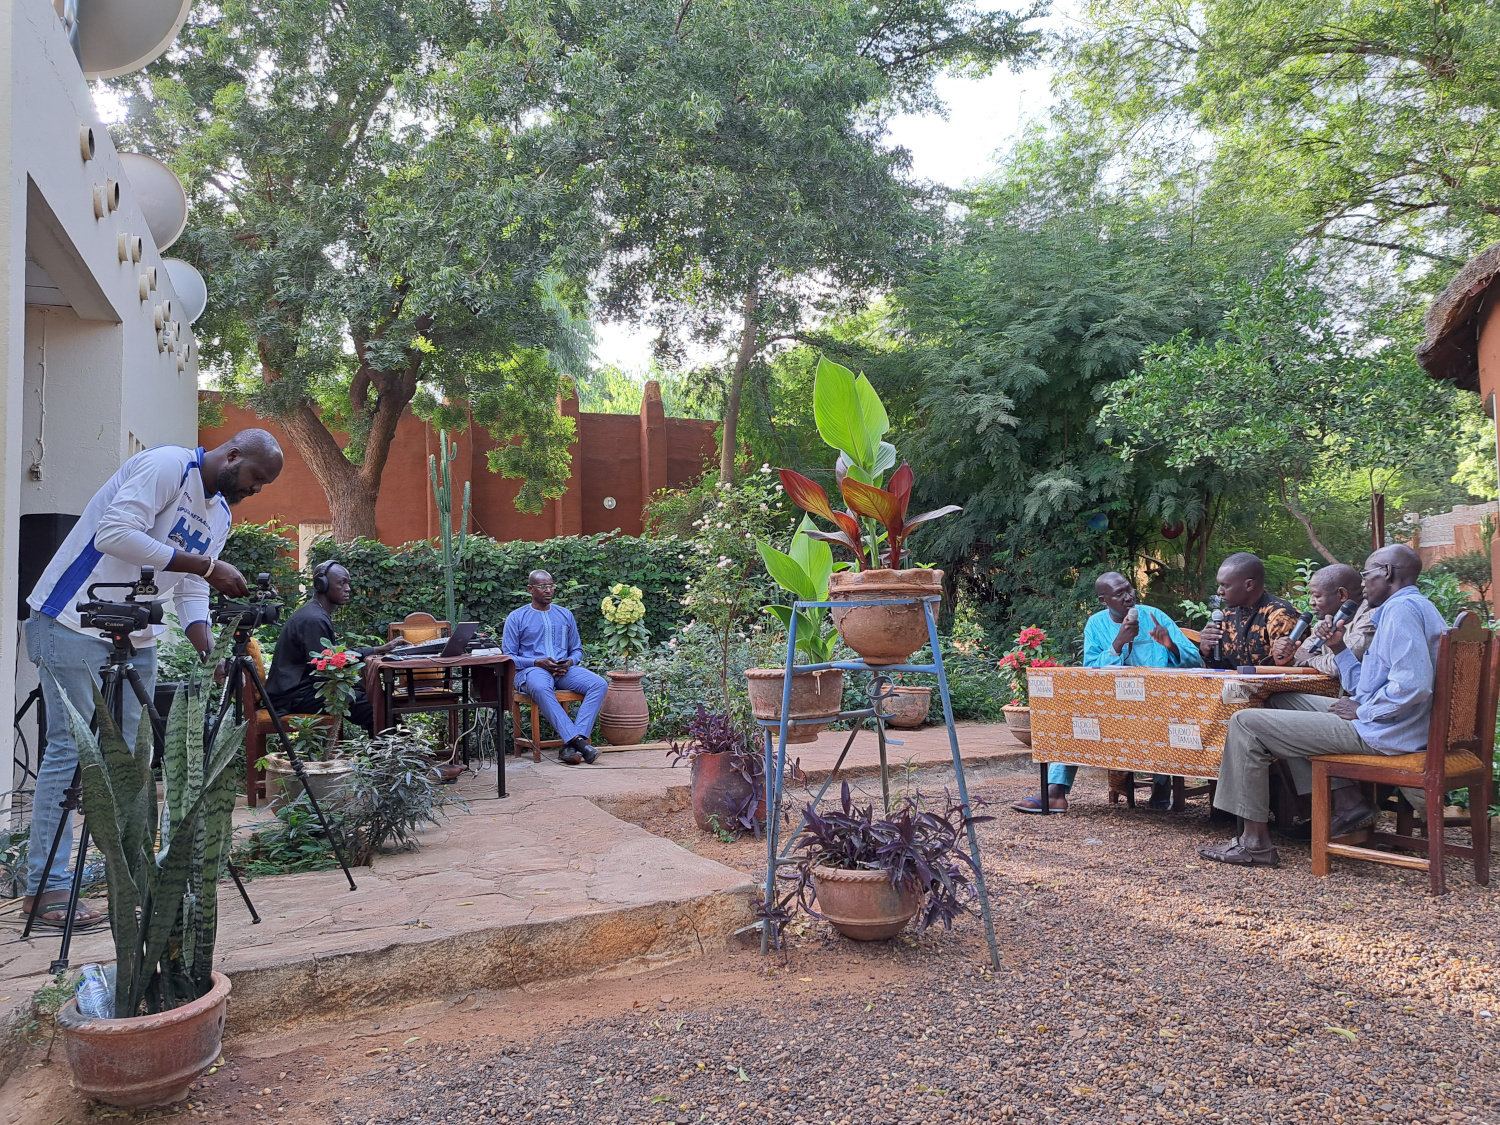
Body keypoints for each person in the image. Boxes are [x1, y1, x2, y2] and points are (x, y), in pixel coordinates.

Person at [22, 431, 284, 926]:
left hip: (136, 635)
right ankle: (46, 887)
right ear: (232, 455)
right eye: (255, 477)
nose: (256, 490)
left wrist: (206, 643)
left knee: (133, 756)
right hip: (72, 621)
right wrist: (208, 565)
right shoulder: (167, 466)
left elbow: (190, 588)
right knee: (72, 751)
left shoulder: (220, 514)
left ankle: (128, 878)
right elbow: (114, 535)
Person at [1199, 545, 1445, 867]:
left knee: (1246, 722)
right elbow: (1365, 684)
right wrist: (1338, 647)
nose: (1363, 583)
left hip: (1385, 731)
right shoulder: (1418, 607)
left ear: (1386, 573)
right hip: (1394, 722)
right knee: (1282, 700)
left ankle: (1254, 842)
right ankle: (1347, 802)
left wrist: (1363, 711)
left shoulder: (1401, 611)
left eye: (1366, 575)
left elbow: (1413, 684)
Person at [1013, 572, 1202, 814]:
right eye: (1120, 593)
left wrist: (1170, 645)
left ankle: (1161, 787)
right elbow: (1090, 669)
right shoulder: (1096, 624)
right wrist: (1118, 643)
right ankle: (1055, 793)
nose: (1129, 597)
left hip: (1158, 702)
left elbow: (1194, 661)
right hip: (1111, 706)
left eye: (1129, 589)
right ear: (1104, 600)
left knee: (1167, 715)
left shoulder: (1155, 616)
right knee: (1073, 714)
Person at [264, 560, 405, 732]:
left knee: (375, 701)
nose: (348, 589)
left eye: (348, 583)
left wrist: (377, 650)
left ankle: (390, 753)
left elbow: (330, 658)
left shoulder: (315, 613)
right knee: (376, 708)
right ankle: (388, 757)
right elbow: (326, 666)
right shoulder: (313, 619)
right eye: (342, 583)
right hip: (294, 697)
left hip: (300, 691)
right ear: (321, 585)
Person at [502, 570, 608, 765]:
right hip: (531, 671)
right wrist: (536, 662)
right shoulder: (517, 617)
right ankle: (579, 743)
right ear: (530, 589)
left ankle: (573, 744)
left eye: (551, 586)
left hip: (563, 670)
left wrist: (568, 662)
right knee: (542, 686)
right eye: (543, 587)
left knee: (598, 684)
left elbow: (577, 649)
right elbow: (508, 657)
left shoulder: (565, 615)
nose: (548, 590)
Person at [1197, 552, 1301, 669]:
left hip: (1274, 686)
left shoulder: (1280, 614)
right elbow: (1226, 669)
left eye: (1225, 585)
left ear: (1249, 585)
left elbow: (1284, 667)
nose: (1219, 591)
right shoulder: (1227, 615)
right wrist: (1207, 652)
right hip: (1236, 685)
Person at [1270, 563, 1375, 676]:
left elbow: (1340, 665)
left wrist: (1308, 661)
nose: (1311, 602)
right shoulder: (1327, 620)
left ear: (1342, 594)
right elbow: (1301, 655)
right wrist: (1287, 659)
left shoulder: (1370, 618)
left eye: (1317, 596)